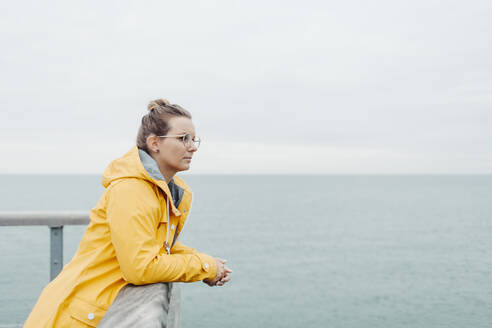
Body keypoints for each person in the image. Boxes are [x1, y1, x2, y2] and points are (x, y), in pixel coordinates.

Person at [24, 99, 232, 327]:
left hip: (95, 311)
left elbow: (159, 245)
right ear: (155, 143)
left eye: (194, 139)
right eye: (183, 139)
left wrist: (207, 263)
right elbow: (140, 268)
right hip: (73, 318)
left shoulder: (160, 190)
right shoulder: (132, 190)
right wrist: (205, 267)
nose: (192, 147)